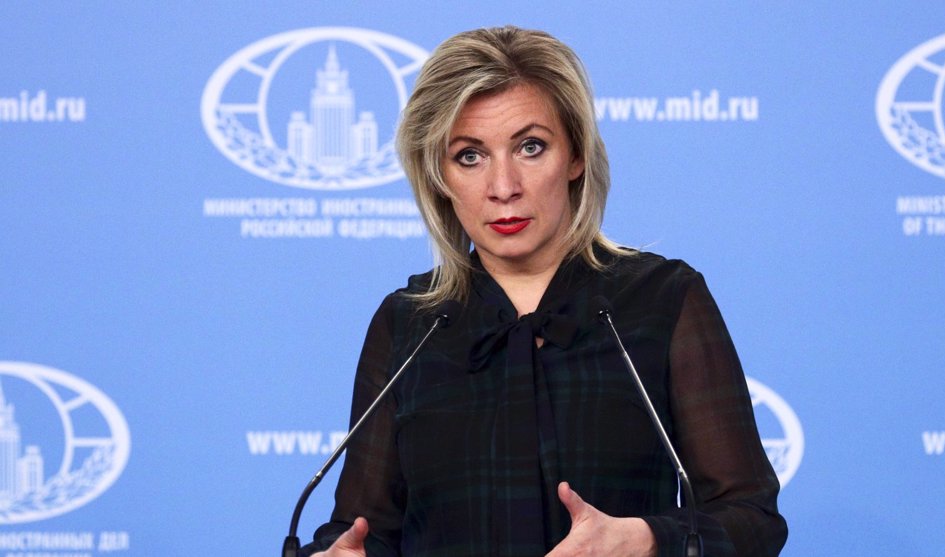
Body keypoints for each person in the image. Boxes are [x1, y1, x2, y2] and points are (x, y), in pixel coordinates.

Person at [301, 26, 787, 557]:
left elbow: (752, 519)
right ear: (438, 174)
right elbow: (359, 530)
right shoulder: (410, 324)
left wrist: (647, 539)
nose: (503, 186)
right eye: (470, 156)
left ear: (575, 155)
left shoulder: (662, 300)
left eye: (531, 147)